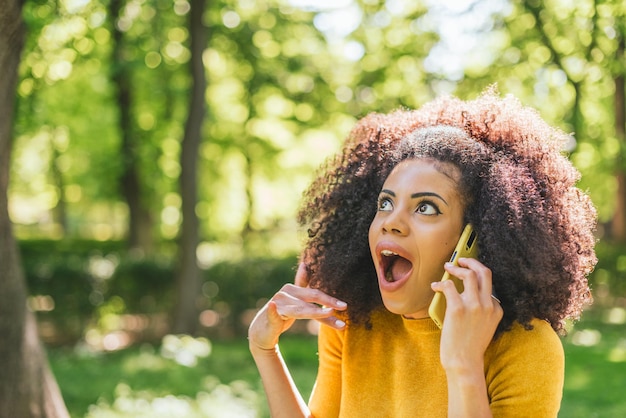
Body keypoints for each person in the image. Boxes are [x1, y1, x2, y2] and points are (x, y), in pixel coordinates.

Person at [248, 90, 597, 417]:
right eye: (385, 203)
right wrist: (265, 350)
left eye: (426, 208)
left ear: (476, 237)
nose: (391, 223)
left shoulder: (527, 347)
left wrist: (464, 364)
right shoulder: (350, 322)